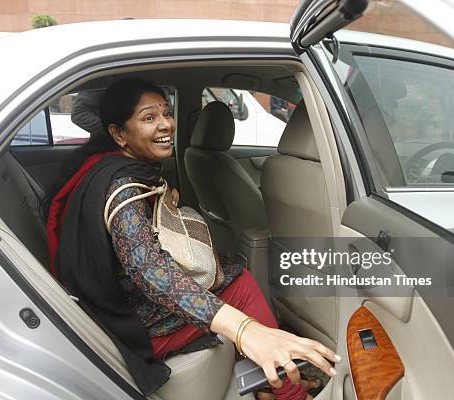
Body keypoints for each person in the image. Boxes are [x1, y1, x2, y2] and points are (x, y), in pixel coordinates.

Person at [47, 78, 340, 399]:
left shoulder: (105, 167)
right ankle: (288, 394)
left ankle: (275, 384)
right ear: (119, 133)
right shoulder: (124, 190)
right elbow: (151, 271)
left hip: (107, 302)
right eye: (148, 118)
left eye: (167, 114)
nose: (165, 125)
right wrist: (247, 331)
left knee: (229, 274)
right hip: (129, 324)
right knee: (239, 285)